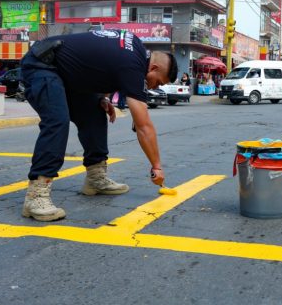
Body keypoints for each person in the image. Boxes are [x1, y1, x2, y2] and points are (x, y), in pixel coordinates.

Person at [20, 30, 178, 221]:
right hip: (43, 65)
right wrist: (157, 167)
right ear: (152, 68)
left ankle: (95, 178)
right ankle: (36, 196)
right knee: (57, 121)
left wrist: (102, 97)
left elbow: (98, 64)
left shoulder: (135, 48)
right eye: (157, 82)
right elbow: (143, 126)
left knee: (95, 113)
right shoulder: (134, 66)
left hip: (66, 73)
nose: (154, 87)